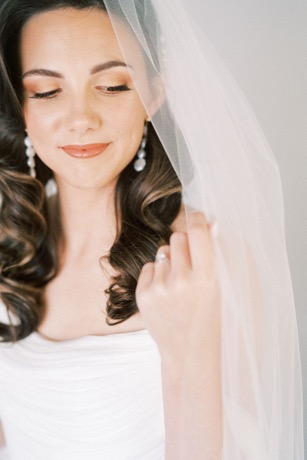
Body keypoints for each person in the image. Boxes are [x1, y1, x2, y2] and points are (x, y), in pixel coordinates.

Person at [0, 1, 303, 459]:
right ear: (20, 106)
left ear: (153, 97)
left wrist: (188, 353)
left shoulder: (208, 260)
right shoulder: (10, 246)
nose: (81, 118)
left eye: (112, 85)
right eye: (46, 91)